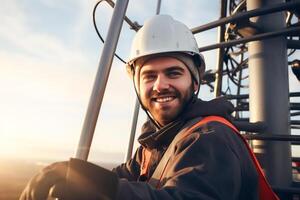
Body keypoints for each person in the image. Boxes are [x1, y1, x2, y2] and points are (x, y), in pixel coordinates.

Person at [20, 15, 278, 200]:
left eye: (173, 73)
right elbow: (124, 175)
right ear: (137, 84)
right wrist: (71, 173)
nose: (160, 85)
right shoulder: (156, 141)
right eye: (149, 76)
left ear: (195, 82)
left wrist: (104, 190)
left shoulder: (211, 137)